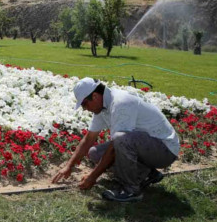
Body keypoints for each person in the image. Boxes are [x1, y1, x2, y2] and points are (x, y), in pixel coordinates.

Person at [51, 77, 180, 202]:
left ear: (95, 96)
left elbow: (115, 147)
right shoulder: (102, 106)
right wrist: (69, 166)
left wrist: (92, 177)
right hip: (149, 146)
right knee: (95, 153)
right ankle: (147, 174)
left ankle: (131, 191)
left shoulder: (121, 103)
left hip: (165, 150)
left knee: (120, 139)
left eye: (84, 104)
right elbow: (89, 139)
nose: (85, 109)